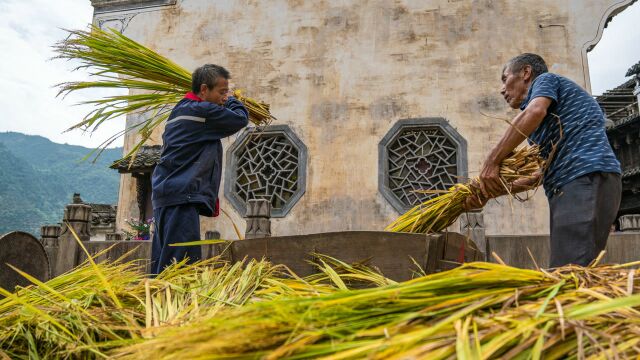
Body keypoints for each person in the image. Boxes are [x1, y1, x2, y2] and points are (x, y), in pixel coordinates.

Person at [465, 53, 621, 267]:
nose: (502, 89)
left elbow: (535, 110)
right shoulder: (541, 127)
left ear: (526, 73)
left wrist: (492, 160)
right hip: (576, 185)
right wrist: (488, 191)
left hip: (584, 177)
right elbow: (538, 176)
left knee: (568, 271)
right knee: (575, 268)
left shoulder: (545, 81)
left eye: (505, 78)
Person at [150, 64, 248, 274]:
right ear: (204, 90)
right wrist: (234, 100)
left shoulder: (180, 109)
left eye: (226, 93)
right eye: (222, 92)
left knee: (164, 261)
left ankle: (156, 303)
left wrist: (224, 98)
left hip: (166, 195)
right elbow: (240, 119)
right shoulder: (202, 112)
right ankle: (175, 306)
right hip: (181, 197)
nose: (224, 97)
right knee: (180, 266)